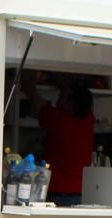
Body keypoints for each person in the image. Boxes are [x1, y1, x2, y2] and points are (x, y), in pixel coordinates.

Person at [20, 74, 94, 206]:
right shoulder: (88, 120)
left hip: (58, 193)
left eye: (62, 97)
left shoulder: (58, 120)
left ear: (71, 104)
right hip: (79, 192)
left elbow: (34, 99)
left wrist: (25, 79)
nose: (58, 100)